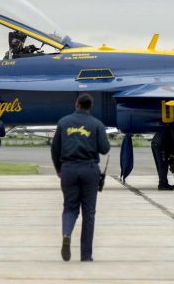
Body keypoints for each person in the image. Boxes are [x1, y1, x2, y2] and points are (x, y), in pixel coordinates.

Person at [51, 93, 110, 262]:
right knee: (89, 212)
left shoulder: (63, 122)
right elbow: (105, 149)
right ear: (90, 106)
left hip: (68, 169)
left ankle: (67, 233)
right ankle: (86, 254)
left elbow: (55, 148)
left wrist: (58, 169)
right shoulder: (96, 124)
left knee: (70, 207)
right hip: (89, 169)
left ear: (77, 104)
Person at [150, 125, 174, 190]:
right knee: (163, 166)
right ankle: (162, 185)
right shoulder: (172, 132)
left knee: (162, 165)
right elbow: (172, 145)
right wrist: (172, 156)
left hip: (156, 143)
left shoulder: (168, 129)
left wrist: (170, 156)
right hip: (159, 144)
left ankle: (164, 183)